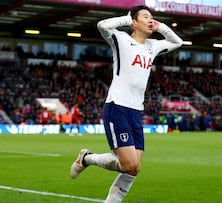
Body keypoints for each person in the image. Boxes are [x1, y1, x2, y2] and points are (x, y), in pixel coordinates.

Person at [70, 5, 182, 203]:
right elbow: (102, 25)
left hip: (136, 111)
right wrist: (125, 19)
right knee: (129, 163)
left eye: (152, 17)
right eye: (146, 17)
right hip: (117, 107)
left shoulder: (152, 46)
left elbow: (177, 42)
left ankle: (90, 166)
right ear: (135, 22)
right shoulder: (121, 40)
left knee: (133, 168)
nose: (150, 20)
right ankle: (87, 158)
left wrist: (161, 26)